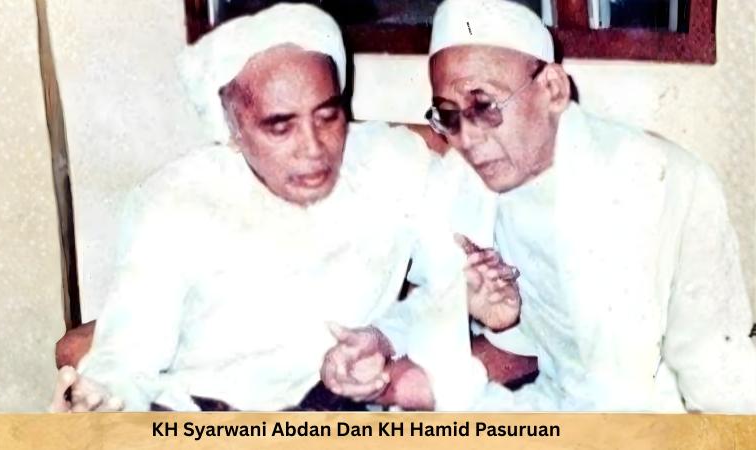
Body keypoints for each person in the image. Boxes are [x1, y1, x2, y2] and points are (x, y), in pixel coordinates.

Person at [47, 3, 513, 413]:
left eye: (328, 115)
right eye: (280, 127)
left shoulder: (392, 165)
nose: (314, 148)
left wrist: (423, 317)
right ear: (232, 128)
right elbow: (127, 354)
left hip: (333, 411)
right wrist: (100, 399)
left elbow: (449, 282)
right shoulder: (174, 201)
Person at [423, 0, 756, 412]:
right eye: (448, 115)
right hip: (552, 405)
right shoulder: (467, 181)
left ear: (553, 89)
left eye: (485, 106)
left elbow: (716, 372)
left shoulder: (657, 181)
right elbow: (508, 339)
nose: (466, 138)